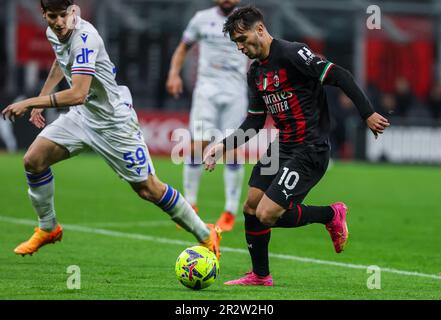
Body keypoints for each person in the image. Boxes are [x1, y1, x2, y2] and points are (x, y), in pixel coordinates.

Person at [1, 0, 220, 259]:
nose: (58, 22)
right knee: (33, 160)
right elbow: (62, 61)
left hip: (114, 123)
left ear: (73, 11)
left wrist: (29, 102)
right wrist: (43, 95)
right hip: (83, 117)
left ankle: (205, 235)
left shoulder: (86, 38)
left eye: (63, 15)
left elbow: (78, 94)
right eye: (52, 16)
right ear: (44, 14)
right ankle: (48, 227)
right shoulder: (55, 32)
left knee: (148, 188)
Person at [204, 6, 390, 285]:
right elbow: (254, 123)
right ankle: (260, 275)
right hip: (282, 147)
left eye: (242, 39)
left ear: (260, 30)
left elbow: (339, 76)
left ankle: (331, 213)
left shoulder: (292, 53)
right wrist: (222, 146)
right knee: (251, 207)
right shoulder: (255, 74)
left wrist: (367, 113)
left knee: (267, 214)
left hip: (310, 148)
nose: (239, 47)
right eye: (235, 43)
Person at [166, 0, 248, 232]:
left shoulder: (247, 20)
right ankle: (190, 206)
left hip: (235, 90)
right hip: (206, 90)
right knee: (197, 145)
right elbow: (183, 47)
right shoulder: (201, 18)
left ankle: (230, 211)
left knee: (232, 147)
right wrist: (174, 74)